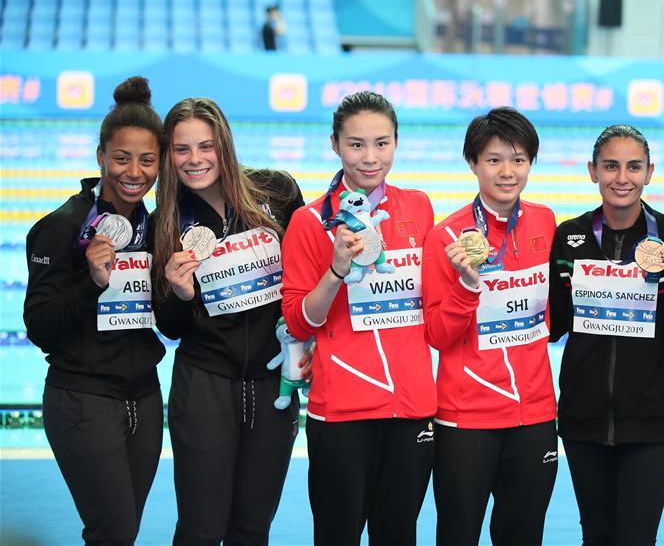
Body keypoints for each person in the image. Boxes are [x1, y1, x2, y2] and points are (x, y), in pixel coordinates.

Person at [280, 91, 436, 546]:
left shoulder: (419, 208)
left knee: (397, 535)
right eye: (356, 144)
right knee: (337, 535)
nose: (370, 157)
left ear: (396, 143)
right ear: (335, 145)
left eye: (382, 143)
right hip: (342, 411)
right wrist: (335, 272)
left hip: (411, 409)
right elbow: (298, 321)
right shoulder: (310, 222)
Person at [151, 97, 304, 544]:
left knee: (252, 527)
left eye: (206, 146)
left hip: (272, 385)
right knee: (201, 529)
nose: (195, 160)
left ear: (226, 146)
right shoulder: (166, 221)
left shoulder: (276, 191)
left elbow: (306, 274)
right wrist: (180, 294)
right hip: (205, 385)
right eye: (182, 149)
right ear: (169, 155)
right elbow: (170, 326)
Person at [24, 76, 165, 544]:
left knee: (121, 532)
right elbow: (40, 326)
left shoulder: (157, 228)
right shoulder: (62, 228)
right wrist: (92, 284)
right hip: (82, 399)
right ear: (101, 156)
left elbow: (166, 322)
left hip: (143, 400)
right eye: (122, 158)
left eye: (147, 160)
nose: (134, 171)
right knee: (113, 530)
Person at [547, 124, 664, 545]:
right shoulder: (569, 236)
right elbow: (555, 324)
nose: (622, 178)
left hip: (651, 420)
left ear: (649, 172)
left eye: (633, 167)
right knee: (595, 535)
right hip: (584, 417)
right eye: (611, 166)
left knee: (637, 537)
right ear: (592, 171)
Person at [421, 107, 558, 546]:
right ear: (473, 164)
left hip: (535, 415)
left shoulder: (546, 222)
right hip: (466, 420)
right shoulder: (446, 237)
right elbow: (437, 336)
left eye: (518, 159)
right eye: (494, 160)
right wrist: (467, 287)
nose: (507, 172)